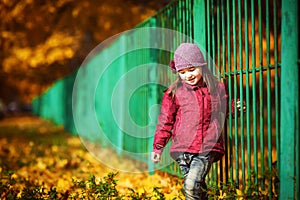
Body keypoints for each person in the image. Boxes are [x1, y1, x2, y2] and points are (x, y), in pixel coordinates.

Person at [151, 43, 243, 199]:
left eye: (192, 69)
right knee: (197, 189)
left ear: (202, 66)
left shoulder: (216, 88)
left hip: (205, 148)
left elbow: (223, 109)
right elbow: (165, 121)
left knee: (191, 186)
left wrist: (234, 107)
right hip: (182, 150)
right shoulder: (174, 92)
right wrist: (158, 147)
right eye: (182, 72)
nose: (188, 75)